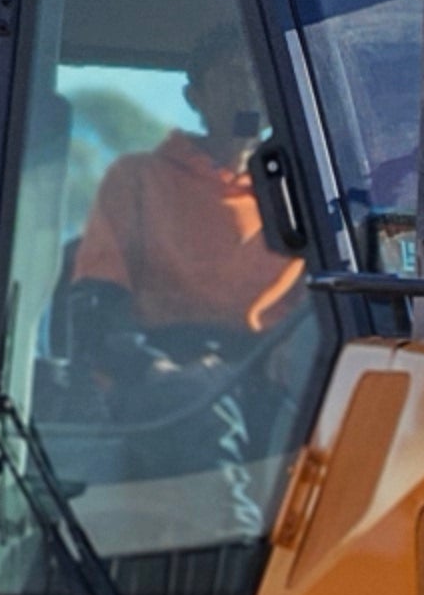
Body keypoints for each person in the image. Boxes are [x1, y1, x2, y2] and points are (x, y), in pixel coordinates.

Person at [61, 23, 299, 351]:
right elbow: (99, 298)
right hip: (164, 368)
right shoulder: (138, 179)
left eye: (258, 77)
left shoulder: (300, 193)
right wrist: (149, 368)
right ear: (194, 97)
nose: (248, 90)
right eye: (231, 76)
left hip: (269, 373)